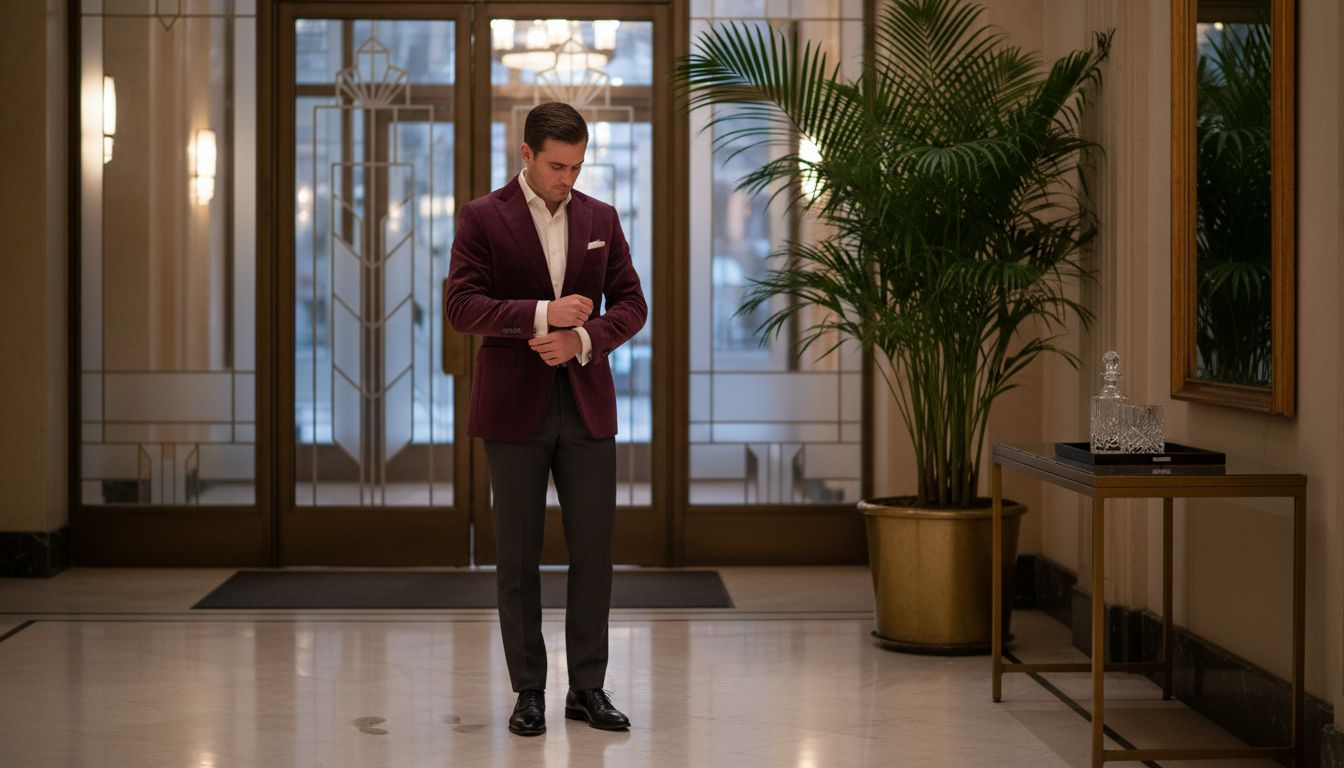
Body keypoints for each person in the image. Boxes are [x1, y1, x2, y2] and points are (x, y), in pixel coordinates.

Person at [443, 101, 647, 736]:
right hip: (513, 409)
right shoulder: (482, 217)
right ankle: (528, 689)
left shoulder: (601, 218)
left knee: (594, 553)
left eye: (578, 166)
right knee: (518, 556)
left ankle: (586, 688)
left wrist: (582, 340)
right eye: (558, 165)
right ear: (525, 153)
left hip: (587, 406)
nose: (569, 178)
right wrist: (542, 315)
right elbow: (460, 305)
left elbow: (633, 305)